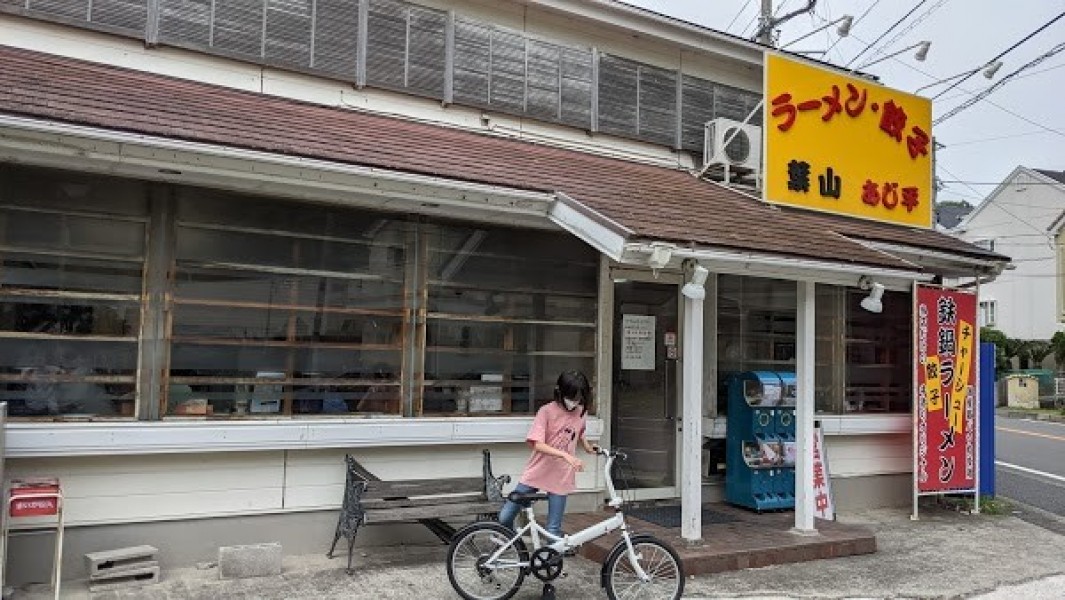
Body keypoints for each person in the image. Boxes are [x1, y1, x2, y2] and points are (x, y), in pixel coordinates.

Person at [498, 370, 597, 541]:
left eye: (578, 398)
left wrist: (587, 446)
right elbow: (537, 444)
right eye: (571, 397)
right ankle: (513, 543)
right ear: (560, 392)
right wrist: (565, 456)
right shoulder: (546, 411)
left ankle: (550, 563)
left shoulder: (581, 412)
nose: (574, 403)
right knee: (505, 517)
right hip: (538, 470)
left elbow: (579, 431)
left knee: (553, 529)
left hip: (561, 476)